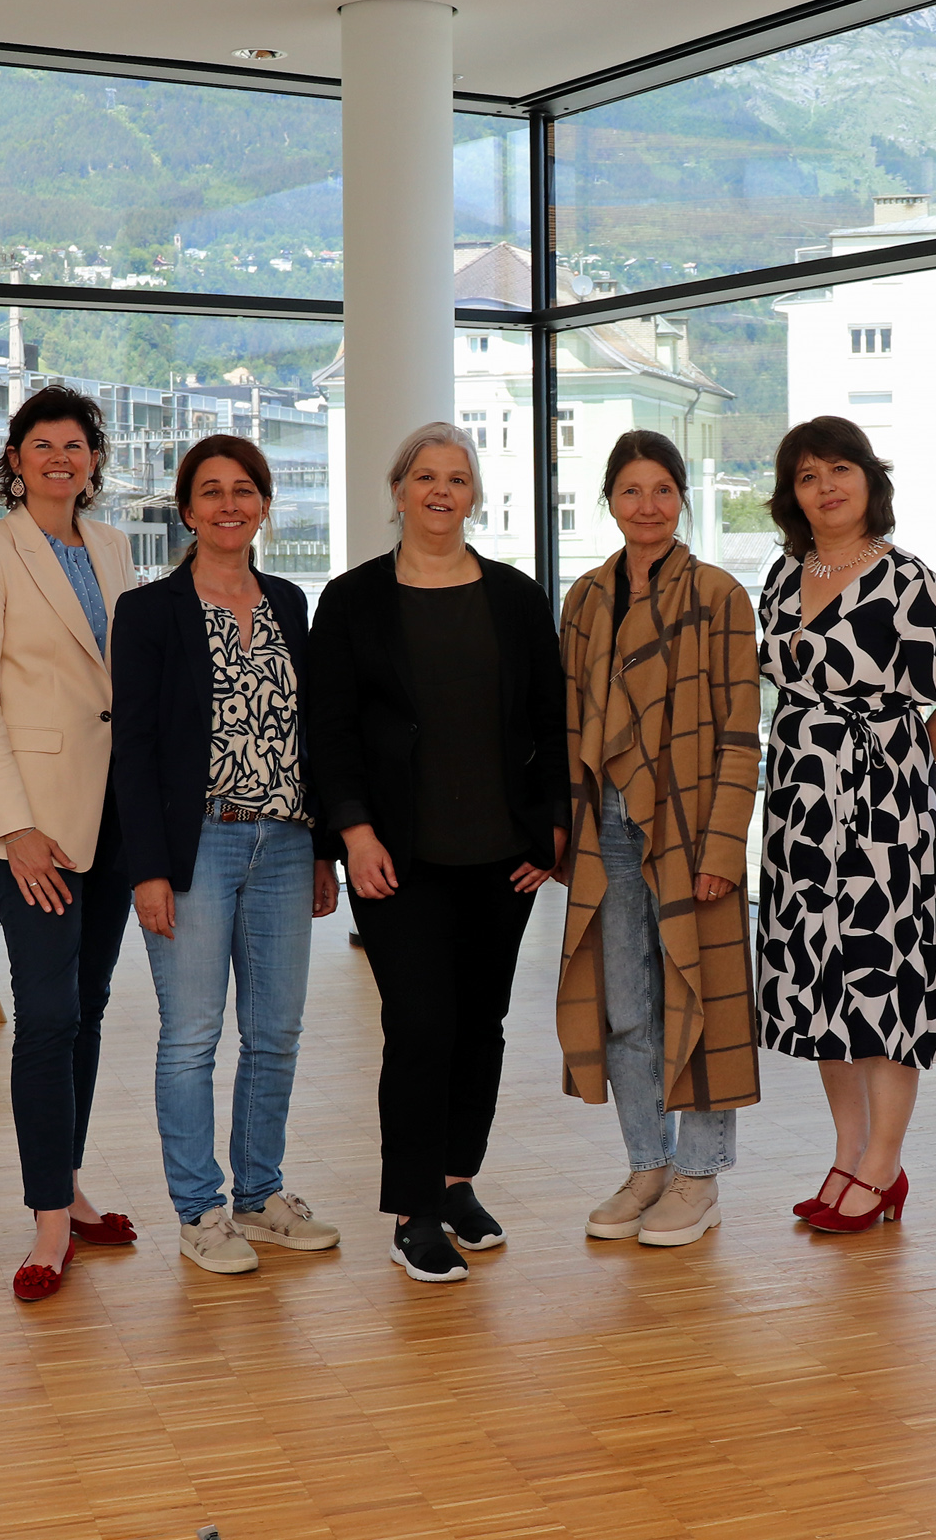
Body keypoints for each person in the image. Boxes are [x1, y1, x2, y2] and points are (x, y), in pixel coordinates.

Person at [307, 424, 570, 1284]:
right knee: (419, 1026)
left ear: (474, 494)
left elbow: (548, 724)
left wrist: (547, 834)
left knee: (481, 1025)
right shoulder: (351, 601)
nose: (441, 491)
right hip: (397, 856)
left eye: (457, 478)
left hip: (502, 859)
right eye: (425, 475)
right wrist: (352, 832)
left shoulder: (517, 598)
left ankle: (457, 1182)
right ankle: (413, 1210)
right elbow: (331, 731)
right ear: (398, 490)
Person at [112, 434, 342, 1277]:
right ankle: (199, 1210)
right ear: (187, 510)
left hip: (284, 840)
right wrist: (146, 869)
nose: (228, 504)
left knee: (276, 1033)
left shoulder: (289, 601)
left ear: (264, 505)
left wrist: (320, 849)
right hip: (196, 843)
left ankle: (260, 1195)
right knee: (192, 1036)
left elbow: (308, 737)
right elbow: (132, 750)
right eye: (210, 491)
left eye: (244, 490)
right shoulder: (147, 612)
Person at [757, 416, 936, 1235]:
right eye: (808, 476)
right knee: (819, 985)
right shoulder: (782, 578)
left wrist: (901, 756)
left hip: (885, 814)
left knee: (882, 982)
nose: (826, 487)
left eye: (840, 470)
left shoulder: (910, 580)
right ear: (794, 496)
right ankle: (847, 1155)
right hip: (799, 806)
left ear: (868, 482)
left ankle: (883, 1166)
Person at [0, 384, 141, 1301]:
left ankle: (67, 1183)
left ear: (94, 460)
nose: (60, 457)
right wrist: (14, 826)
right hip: (35, 822)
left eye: (76, 444)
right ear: (15, 460)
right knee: (48, 1014)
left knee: (91, 1006)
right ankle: (47, 1223)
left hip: (110, 812)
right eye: (42, 444)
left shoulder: (110, 546)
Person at [556, 431, 761, 1248]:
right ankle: (647, 1162)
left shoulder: (718, 595)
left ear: (681, 499)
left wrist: (722, 847)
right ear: (609, 500)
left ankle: (700, 1176)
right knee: (627, 1005)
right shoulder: (583, 598)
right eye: (631, 491)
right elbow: (568, 721)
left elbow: (742, 734)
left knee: (703, 997)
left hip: (689, 825)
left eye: (663, 490)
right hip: (603, 823)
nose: (647, 506)